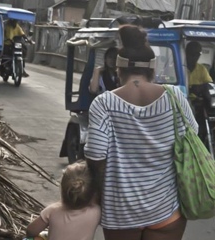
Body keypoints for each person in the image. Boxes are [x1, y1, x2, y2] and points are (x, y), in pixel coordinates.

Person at [84, 24, 198, 240]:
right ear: (152, 69)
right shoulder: (175, 97)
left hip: (120, 213)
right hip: (167, 210)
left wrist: (97, 197)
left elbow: (96, 156)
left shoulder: (104, 103)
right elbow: (191, 135)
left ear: (119, 69)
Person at [24, 161, 101, 240]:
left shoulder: (52, 210)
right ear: (93, 193)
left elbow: (31, 231)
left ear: (62, 188)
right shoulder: (97, 211)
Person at [186, 41, 213, 141]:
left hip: (198, 103)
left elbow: (208, 85)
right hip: (183, 101)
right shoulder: (178, 66)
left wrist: (198, 88)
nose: (195, 57)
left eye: (198, 54)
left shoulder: (201, 69)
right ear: (186, 53)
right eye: (192, 54)